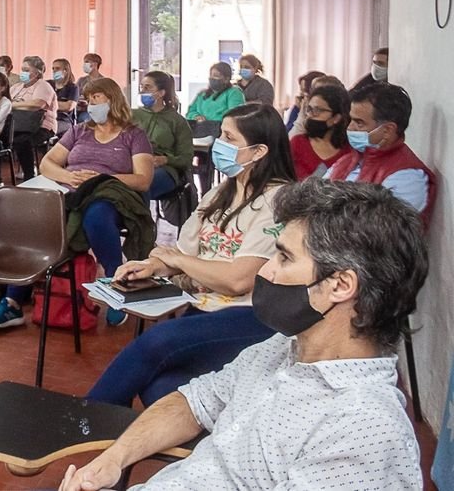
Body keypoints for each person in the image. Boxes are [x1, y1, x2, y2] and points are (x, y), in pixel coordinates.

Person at [60, 178, 428, 491]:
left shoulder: (363, 428)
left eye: (284, 258)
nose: (265, 272)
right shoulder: (284, 347)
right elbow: (195, 402)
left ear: (341, 285)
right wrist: (113, 459)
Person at [86, 104, 295, 408]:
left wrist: (178, 262)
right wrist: (151, 266)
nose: (218, 143)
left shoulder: (278, 201)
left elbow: (237, 280)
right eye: (220, 135)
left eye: (229, 138)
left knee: (154, 343)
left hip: (250, 317)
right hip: (203, 308)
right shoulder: (220, 193)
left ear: (259, 151)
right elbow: (182, 252)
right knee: (161, 389)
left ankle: (83, 421)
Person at [0, 77, 153, 329]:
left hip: (110, 193)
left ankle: (116, 285)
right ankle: (12, 301)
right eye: (89, 99)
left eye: (96, 98)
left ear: (113, 100)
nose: (91, 104)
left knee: (96, 216)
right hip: (71, 190)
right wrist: (68, 176)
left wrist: (102, 177)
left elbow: (143, 179)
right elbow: (47, 164)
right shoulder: (79, 131)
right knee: (35, 220)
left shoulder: (133, 135)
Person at [328, 82, 435, 225]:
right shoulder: (348, 160)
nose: (350, 127)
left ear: (387, 130)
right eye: (351, 120)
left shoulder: (408, 177)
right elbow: (314, 200)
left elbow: (373, 229)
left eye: (359, 123)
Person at [132, 71, 194, 199]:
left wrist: (165, 159)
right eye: (141, 87)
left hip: (164, 169)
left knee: (141, 185)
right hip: (134, 163)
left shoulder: (177, 121)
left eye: (147, 87)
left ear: (161, 93)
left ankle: (138, 212)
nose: (142, 91)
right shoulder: (132, 115)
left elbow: (186, 158)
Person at [8, 55, 58, 182]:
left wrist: (13, 105)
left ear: (37, 72)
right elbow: (5, 103)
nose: (23, 73)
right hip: (17, 125)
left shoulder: (43, 86)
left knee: (22, 141)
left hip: (41, 127)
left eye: (26, 70)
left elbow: (37, 104)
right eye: (22, 69)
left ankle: (29, 176)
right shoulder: (16, 87)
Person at [289, 85, 353, 180]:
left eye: (317, 110)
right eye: (309, 109)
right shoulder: (297, 143)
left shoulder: (349, 151)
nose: (310, 115)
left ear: (336, 118)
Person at [50, 58, 79, 135]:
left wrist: (47, 103)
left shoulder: (73, 87)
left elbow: (68, 106)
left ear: (65, 71)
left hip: (63, 120)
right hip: (47, 118)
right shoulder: (48, 84)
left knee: (46, 130)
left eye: (57, 68)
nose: (54, 71)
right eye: (53, 68)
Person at [75, 53, 104, 122]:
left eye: (87, 62)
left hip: (97, 111)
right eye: (84, 62)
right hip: (82, 111)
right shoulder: (81, 80)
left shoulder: (103, 82)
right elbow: (75, 96)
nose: (84, 65)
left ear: (95, 64)